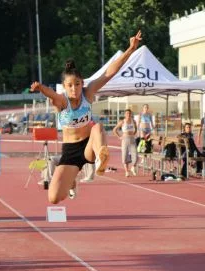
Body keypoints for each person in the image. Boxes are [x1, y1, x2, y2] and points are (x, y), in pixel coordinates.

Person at [30, 30, 142, 204]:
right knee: (54, 198)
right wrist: (41, 88)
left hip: (88, 146)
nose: (74, 88)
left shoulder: (88, 94)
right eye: (70, 86)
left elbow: (110, 72)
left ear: (82, 83)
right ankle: (72, 183)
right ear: (65, 87)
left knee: (97, 127)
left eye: (77, 84)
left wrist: (130, 49)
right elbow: (52, 94)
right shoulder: (62, 101)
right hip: (70, 152)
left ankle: (100, 159)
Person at [113, 109, 138, 177]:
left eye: (129, 113)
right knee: (125, 156)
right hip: (125, 139)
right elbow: (114, 130)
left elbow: (136, 129)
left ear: (131, 114)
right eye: (127, 113)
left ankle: (133, 167)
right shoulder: (122, 122)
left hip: (132, 139)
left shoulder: (134, 121)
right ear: (125, 114)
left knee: (135, 154)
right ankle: (127, 171)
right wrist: (119, 137)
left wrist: (133, 134)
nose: (128, 115)